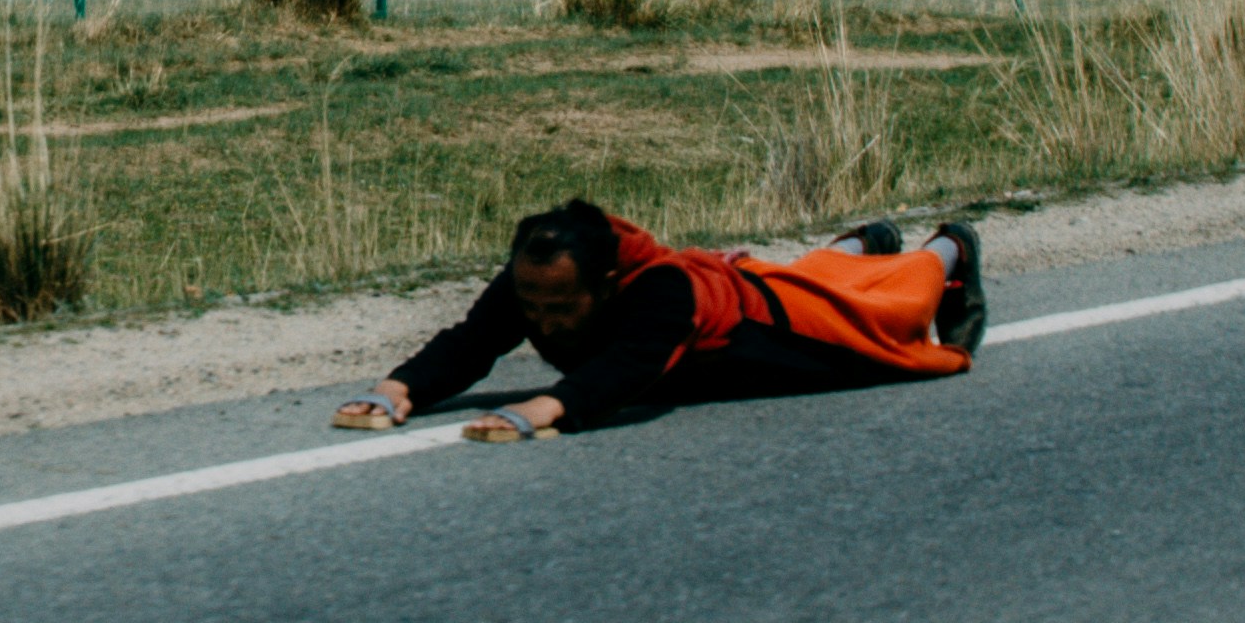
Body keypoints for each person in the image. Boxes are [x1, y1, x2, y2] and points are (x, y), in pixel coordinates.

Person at [329, 197, 984, 440]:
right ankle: (865, 241)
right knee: (814, 273)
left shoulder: (661, 291)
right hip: (732, 296)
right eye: (532, 306)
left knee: (884, 311)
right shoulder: (533, 281)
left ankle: (948, 246)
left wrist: (547, 408)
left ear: (608, 284)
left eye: (562, 308)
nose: (543, 322)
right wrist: (398, 389)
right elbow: (470, 344)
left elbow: (631, 366)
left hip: (768, 329)